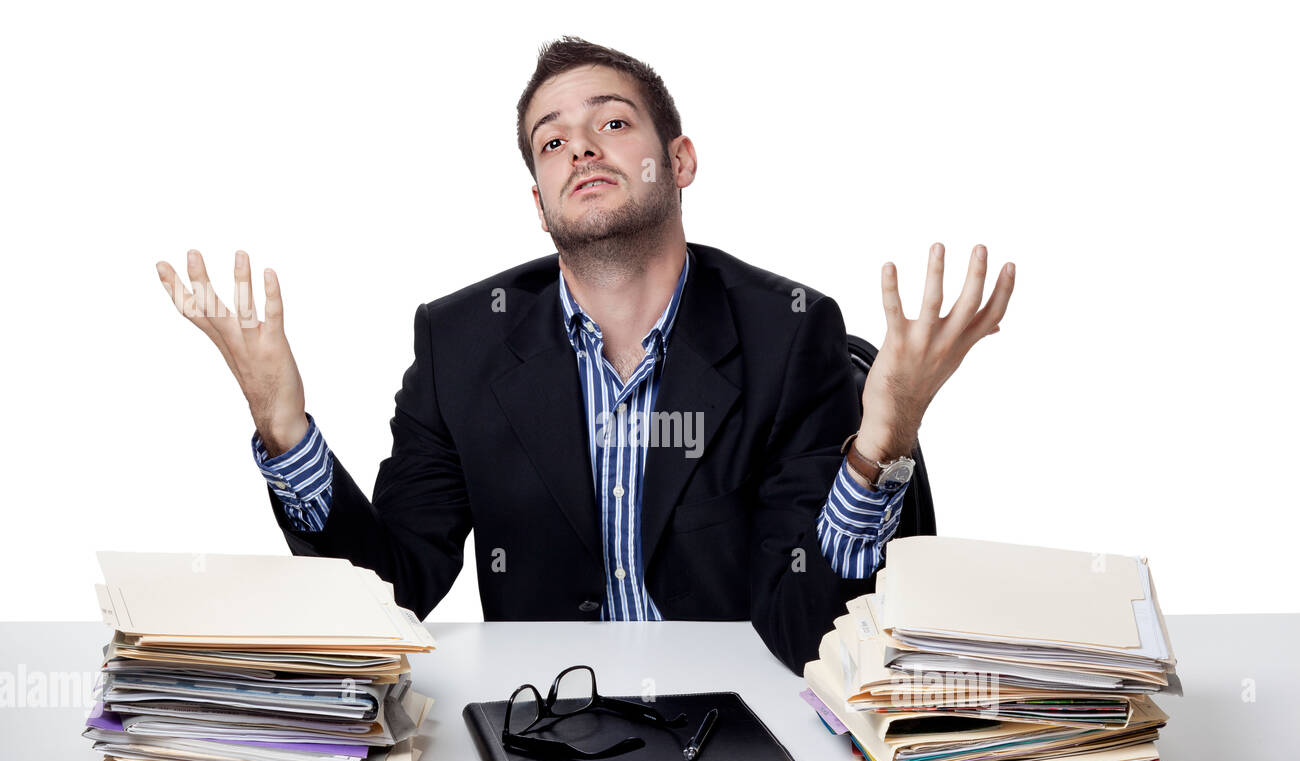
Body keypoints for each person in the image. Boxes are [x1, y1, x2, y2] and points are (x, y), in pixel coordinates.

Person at [154, 36, 1015, 674]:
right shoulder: (460, 345)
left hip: (739, 727)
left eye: (611, 122)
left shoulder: (790, 336)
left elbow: (805, 631)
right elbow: (391, 591)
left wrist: (885, 439)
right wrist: (283, 429)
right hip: (545, 728)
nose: (583, 149)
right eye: (553, 140)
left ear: (677, 161)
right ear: (539, 200)